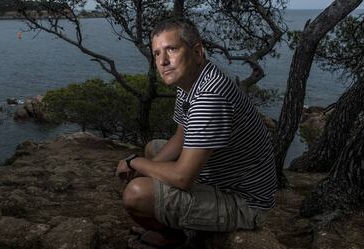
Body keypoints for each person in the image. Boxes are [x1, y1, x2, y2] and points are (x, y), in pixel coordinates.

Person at [116, 17, 277, 249]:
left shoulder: (210, 96)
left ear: (197, 51)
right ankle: (169, 219)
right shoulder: (191, 81)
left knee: (136, 194)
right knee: (154, 148)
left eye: (171, 49)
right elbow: (181, 136)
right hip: (219, 176)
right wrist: (145, 168)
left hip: (244, 202)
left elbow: (182, 178)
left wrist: (136, 163)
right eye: (157, 53)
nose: (163, 61)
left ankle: (172, 237)